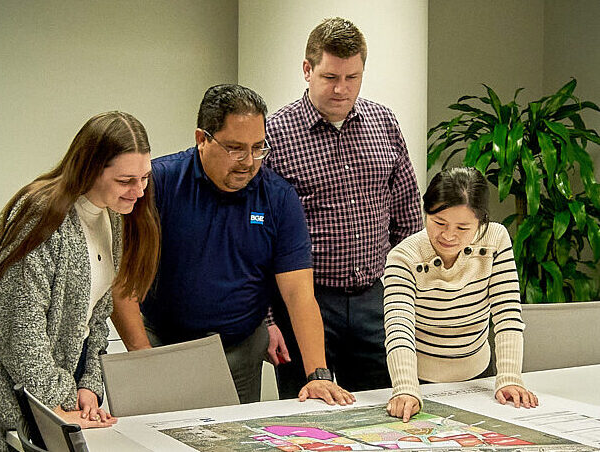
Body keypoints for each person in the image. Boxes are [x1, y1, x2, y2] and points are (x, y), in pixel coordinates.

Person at [111, 84, 354, 406]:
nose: (248, 162)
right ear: (202, 139)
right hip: (162, 343)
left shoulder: (278, 198)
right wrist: (144, 357)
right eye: (235, 148)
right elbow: (122, 281)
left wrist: (317, 375)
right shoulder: (160, 183)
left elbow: (299, 293)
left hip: (239, 350)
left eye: (258, 148)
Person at [0, 112, 161, 452]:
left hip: (61, 399)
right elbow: (19, 331)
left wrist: (89, 387)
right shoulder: (40, 214)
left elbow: (97, 317)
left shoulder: (112, 217)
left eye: (145, 178)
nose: (139, 191)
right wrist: (60, 401)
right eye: (126, 180)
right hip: (16, 406)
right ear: (91, 169)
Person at [264, 17, 422, 397]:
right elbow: (258, 238)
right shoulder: (276, 135)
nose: (341, 89)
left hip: (375, 297)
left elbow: (408, 218)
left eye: (352, 77)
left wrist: (412, 295)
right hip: (306, 301)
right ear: (307, 70)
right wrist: (267, 319)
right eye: (330, 76)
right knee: (309, 414)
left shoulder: (383, 123)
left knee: (382, 406)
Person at [383, 167, 539, 422]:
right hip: (419, 381)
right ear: (426, 212)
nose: (448, 235)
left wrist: (510, 378)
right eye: (439, 223)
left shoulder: (496, 240)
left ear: (481, 222)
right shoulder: (404, 257)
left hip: (480, 376)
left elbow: (507, 313)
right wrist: (405, 388)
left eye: (463, 227)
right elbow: (398, 328)